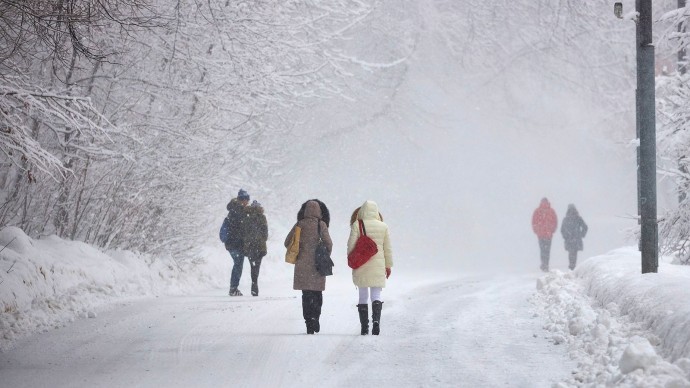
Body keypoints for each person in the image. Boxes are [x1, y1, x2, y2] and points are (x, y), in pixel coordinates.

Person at [284, 200, 333, 334]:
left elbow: (287, 242)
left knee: (306, 295)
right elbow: (329, 243)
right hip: (318, 266)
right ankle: (315, 318)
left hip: (302, 265)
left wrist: (299, 248)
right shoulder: (321, 224)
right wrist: (324, 255)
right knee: (317, 294)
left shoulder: (299, 224)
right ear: (319, 211)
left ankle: (308, 323)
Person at [347, 200, 393, 335]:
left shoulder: (357, 224)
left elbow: (351, 245)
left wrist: (352, 259)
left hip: (361, 263)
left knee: (362, 296)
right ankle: (376, 322)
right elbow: (387, 248)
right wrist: (388, 266)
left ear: (362, 211)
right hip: (378, 266)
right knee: (376, 295)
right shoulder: (383, 226)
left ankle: (364, 327)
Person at [225, 189, 250, 296]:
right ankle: (233, 288)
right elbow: (241, 229)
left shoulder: (233, 210)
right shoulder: (239, 211)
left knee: (237, 264)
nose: (247, 202)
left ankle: (233, 287)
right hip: (236, 244)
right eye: (247, 200)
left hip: (231, 243)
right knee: (238, 265)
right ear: (242, 200)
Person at [242, 200, 268, 296]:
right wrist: (261, 239)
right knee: (257, 265)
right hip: (260, 246)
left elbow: (243, 232)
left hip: (249, 246)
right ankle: (255, 283)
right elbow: (265, 233)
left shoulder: (246, 217)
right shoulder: (262, 217)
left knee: (252, 265)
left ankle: (254, 283)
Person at [532, 197, 558, 272]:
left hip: (541, 234)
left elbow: (534, 222)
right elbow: (555, 222)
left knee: (542, 250)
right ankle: (546, 264)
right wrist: (552, 230)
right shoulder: (551, 211)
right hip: (548, 234)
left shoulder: (537, 211)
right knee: (547, 250)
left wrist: (536, 231)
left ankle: (544, 264)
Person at [560, 204, 588, 270]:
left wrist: (565, 236)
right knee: (574, 253)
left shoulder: (566, 219)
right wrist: (581, 234)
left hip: (569, 239)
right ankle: (573, 266)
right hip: (576, 239)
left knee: (571, 252)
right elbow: (585, 227)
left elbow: (562, 229)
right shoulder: (578, 218)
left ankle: (571, 266)